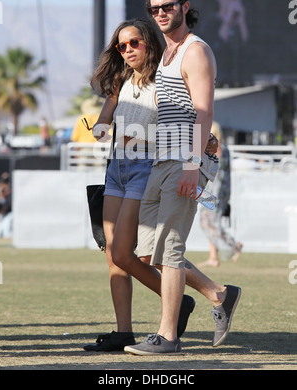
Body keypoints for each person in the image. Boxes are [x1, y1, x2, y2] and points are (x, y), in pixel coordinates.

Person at [83, 18, 218, 353]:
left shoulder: (166, 78)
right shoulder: (120, 80)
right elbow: (104, 121)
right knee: (114, 256)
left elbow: (190, 116)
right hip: (117, 167)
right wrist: (100, 128)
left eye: (134, 43)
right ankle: (124, 332)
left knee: (135, 253)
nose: (127, 50)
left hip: (147, 166)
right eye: (121, 45)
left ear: (147, 43)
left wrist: (207, 142)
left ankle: (186, 299)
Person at [123, 0, 241, 355]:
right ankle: (218, 293)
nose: (160, 13)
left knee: (170, 250)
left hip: (185, 162)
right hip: (161, 161)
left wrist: (193, 164)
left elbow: (204, 111)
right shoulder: (166, 55)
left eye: (168, 6)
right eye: (154, 8)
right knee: (146, 253)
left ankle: (167, 337)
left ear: (184, 7)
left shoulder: (195, 52)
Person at [198, 121, 243, 268]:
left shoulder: (211, 148)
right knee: (209, 223)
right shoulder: (225, 149)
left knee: (207, 222)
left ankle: (233, 245)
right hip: (221, 191)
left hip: (212, 192)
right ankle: (214, 256)